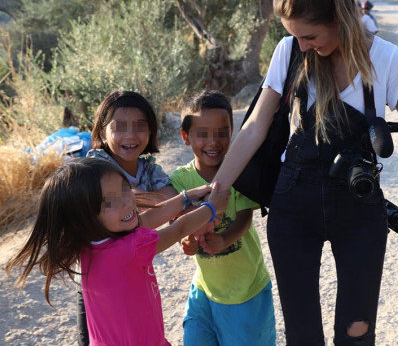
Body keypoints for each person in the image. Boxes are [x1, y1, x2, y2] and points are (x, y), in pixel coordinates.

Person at [202, 0, 398, 345]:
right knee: (303, 334)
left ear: (338, 18)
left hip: (359, 209)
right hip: (293, 202)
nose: (302, 46)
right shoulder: (289, 50)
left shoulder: (388, 60)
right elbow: (255, 127)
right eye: (295, 36)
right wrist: (217, 192)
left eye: (309, 35)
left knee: (357, 331)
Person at [5, 158, 228, 345]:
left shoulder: (90, 243)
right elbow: (178, 228)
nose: (127, 202)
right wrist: (211, 208)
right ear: (84, 218)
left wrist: (186, 197)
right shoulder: (130, 250)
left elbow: (147, 218)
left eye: (124, 189)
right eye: (109, 203)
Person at [170, 90, 276, 345]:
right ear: (186, 137)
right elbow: (176, 221)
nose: (213, 141)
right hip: (204, 291)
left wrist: (225, 238)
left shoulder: (240, 172)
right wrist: (185, 240)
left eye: (221, 132)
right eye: (202, 134)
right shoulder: (180, 180)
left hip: (245, 291)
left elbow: (244, 219)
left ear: (232, 133)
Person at [77, 89, 180, 344]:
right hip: (100, 275)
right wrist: (156, 205)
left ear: (152, 131)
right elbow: (165, 204)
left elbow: (170, 199)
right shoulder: (97, 166)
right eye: (120, 127)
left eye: (140, 127)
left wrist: (160, 205)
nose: (131, 135)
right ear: (102, 132)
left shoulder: (148, 166)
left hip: (131, 267)